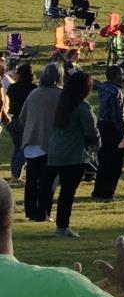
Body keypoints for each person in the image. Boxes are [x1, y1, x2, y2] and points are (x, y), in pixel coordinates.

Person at [48, 71, 99, 238]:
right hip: (74, 154)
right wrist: (97, 143)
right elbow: (91, 131)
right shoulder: (83, 107)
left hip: (57, 152)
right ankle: (63, 226)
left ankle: (60, 224)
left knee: (64, 191)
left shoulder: (62, 104)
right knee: (68, 192)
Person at [17, 65, 64, 223]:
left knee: (32, 179)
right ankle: (43, 212)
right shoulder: (60, 94)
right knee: (49, 180)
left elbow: (22, 117)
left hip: (31, 141)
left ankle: (30, 211)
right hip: (50, 142)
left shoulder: (34, 93)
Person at [91, 66, 124, 201]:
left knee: (104, 161)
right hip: (113, 129)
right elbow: (118, 116)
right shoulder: (116, 93)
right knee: (115, 164)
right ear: (116, 76)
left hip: (102, 126)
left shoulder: (105, 87)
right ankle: (108, 192)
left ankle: (98, 191)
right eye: (121, 74)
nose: (123, 76)